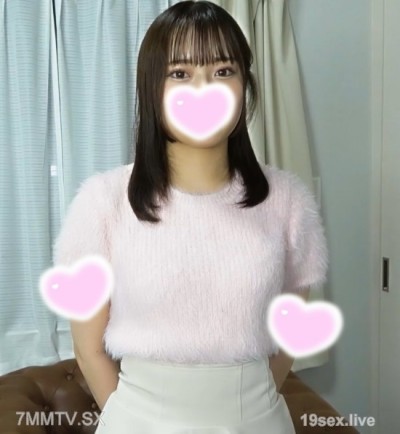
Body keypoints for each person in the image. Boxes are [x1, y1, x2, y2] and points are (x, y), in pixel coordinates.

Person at [53, 1, 329, 433]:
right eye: (180, 73)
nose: (205, 91)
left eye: (223, 70)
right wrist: (130, 419)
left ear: (244, 85)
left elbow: (288, 339)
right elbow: (89, 350)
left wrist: (246, 403)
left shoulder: (288, 201)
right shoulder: (103, 202)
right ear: (151, 88)